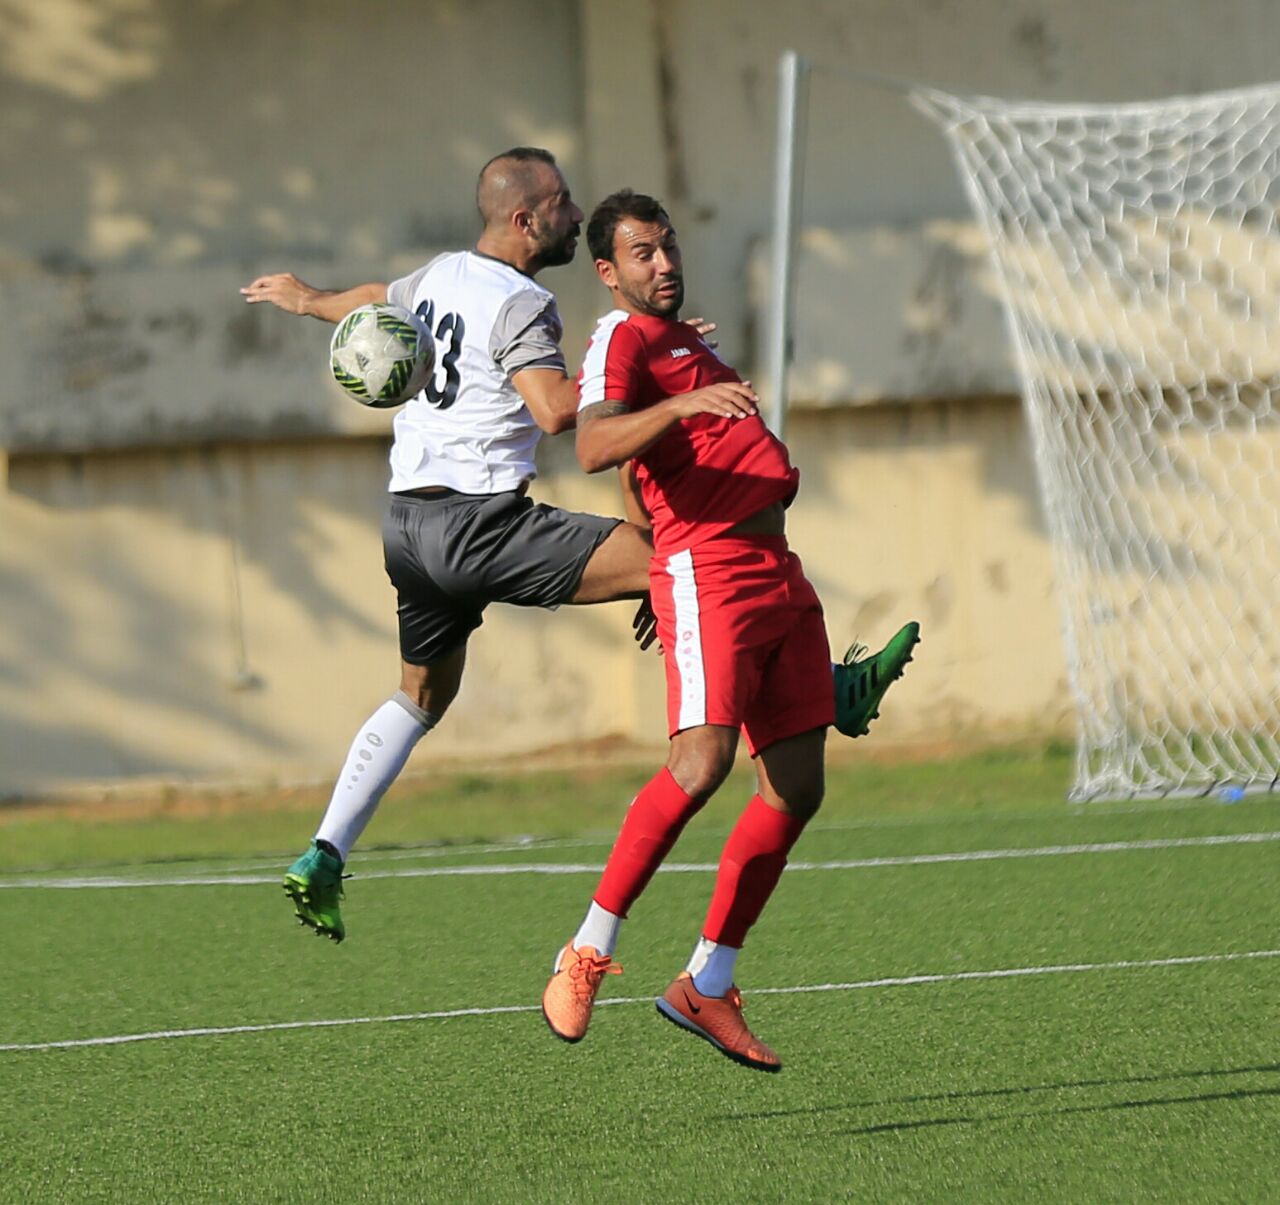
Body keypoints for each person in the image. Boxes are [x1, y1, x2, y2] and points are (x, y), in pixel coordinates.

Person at [540, 190, 920, 1072]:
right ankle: (586, 947)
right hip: (710, 570)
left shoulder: (676, 338)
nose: (664, 263)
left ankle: (707, 980)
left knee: (795, 788)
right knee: (701, 762)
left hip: (776, 570)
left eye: (668, 247)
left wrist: (685, 377)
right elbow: (594, 445)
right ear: (608, 272)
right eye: (643, 254)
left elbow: (643, 465)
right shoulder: (620, 339)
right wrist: (681, 405)